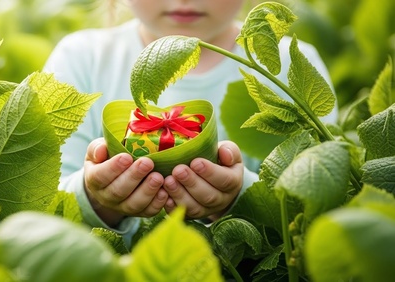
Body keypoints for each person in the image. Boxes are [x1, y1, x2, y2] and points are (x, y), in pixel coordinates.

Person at [43, 0, 338, 244]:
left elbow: (319, 203)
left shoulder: (287, 66)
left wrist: (240, 196)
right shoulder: (82, 58)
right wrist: (97, 199)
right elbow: (42, 205)